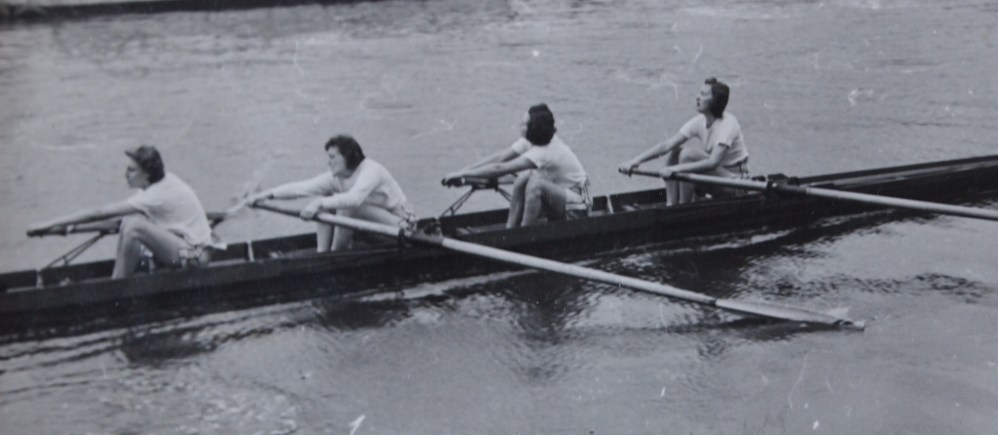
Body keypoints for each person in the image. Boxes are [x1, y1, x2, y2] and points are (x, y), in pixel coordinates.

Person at [28, 145, 216, 279]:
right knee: (130, 222)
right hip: (184, 250)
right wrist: (65, 229)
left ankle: (117, 287)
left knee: (133, 225)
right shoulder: (157, 185)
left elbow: (98, 212)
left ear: (147, 174)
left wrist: (46, 224)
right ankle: (121, 281)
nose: (125, 174)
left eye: (131, 170)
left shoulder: (157, 194)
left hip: (196, 258)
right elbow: (115, 224)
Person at [247, 135, 415, 252]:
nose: (329, 162)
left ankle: (335, 255)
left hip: (403, 230)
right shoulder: (337, 177)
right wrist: (266, 195)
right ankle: (323, 254)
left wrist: (318, 204)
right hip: (373, 229)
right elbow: (302, 187)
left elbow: (354, 199)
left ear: (348, 157)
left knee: (346, 207)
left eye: (333, 157)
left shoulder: (371, 171)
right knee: (327, 198)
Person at [442, 103, 590, 228]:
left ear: (532, 128)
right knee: (523, 178)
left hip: (579, 208)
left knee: (535, 185)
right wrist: (464, 174)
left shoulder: (544, 152)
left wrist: (462, 175)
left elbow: (499, 169)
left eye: (523, 123)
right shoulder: (531, 141)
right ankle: (510, 230)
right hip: (560, 199)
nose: (519, 125)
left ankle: (523, 235)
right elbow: (499, 159)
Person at [619, 77, 750, 205]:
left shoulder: (728, 123)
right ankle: (671, 204)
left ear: (715, 100)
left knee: (687, 155)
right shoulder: (699, 121)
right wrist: (635, 161)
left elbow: (713, 162)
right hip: (716, 180)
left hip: (736, 184)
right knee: (675, 152)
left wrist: (675, 169)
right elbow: (666, 146)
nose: (697, 97)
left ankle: (683, 206)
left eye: (703, 94)